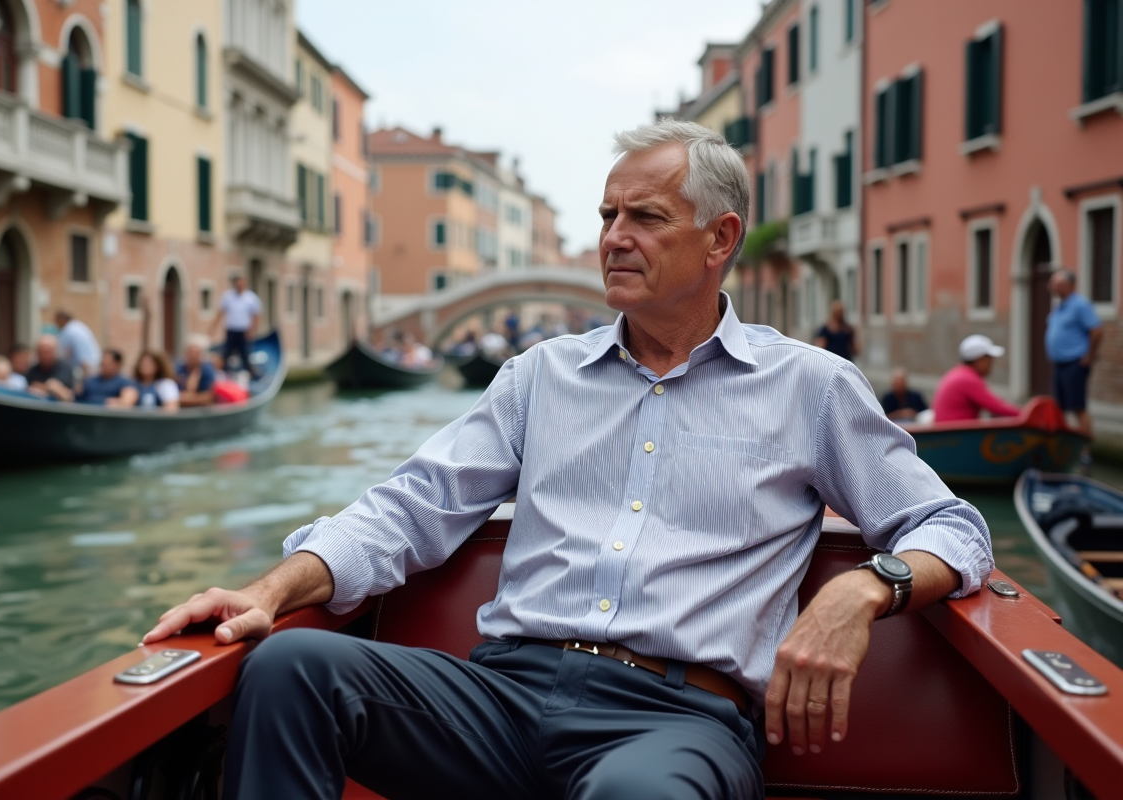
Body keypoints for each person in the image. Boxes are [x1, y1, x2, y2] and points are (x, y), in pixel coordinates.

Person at [144, 120, 992, 800]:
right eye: (606, 217)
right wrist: (268, 592)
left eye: (646, 218)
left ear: (719, 238)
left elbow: (953, 527)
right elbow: (409, 508)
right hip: (502, 694)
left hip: (677, 719)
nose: (614, 239)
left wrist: (860, 587)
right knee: (294, 668)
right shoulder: (538, 376)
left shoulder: (810, 385)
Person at [1046, 269, 1102, 438]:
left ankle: (1085, 452)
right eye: (1053, 284)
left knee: (1078, 407)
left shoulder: (1080, 305)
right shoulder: (1059, 306)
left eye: (1059, 284)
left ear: (1070, 286)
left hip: (1075, 363)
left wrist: (1089, 355)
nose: (1054, 287)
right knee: (1060, 407)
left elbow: (1097, 330)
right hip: (1060, 364)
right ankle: (1064, 447)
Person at [932, 335, 1021, 423]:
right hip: (956, 434)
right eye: (989, 359)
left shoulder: (960, 373)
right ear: (979, 359)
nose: (992, 363)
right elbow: (996, 406)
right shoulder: (967, 379)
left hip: (952, 432)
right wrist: (1025, 414)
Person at [213, 275, 261, 376]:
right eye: (238, 284)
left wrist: (253, 330)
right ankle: (224, 372)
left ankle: (248, 372)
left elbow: (255, 316)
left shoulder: (251, 298)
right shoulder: (227, 296)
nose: (240, 286)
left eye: (242, 284)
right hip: (231, 329)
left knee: (245, 352)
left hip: (244, 330)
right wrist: (213, 327)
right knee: (226, 352)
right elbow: (221, 312)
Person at [26, 335, 75, 401]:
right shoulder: (33, 370)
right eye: (40, 352)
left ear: (55, 351)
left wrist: (48, 387)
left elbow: (61, 392)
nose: (43, 355)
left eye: (47, 352)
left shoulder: (64, 367)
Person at [55, 310, 101, 378]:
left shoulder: (68, 330)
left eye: (57, 321)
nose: (56, 325)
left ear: (62, 319)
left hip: (86, 368)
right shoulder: (78, 325)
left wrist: (86, 378)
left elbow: (82, 357)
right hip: (96, 364)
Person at [176, 334, 217, 407]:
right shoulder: (179, 368)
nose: (193, 355)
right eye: (190, 352)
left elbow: (209, 396)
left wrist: (184, 398)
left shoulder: (207, 370)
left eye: (196, 352)